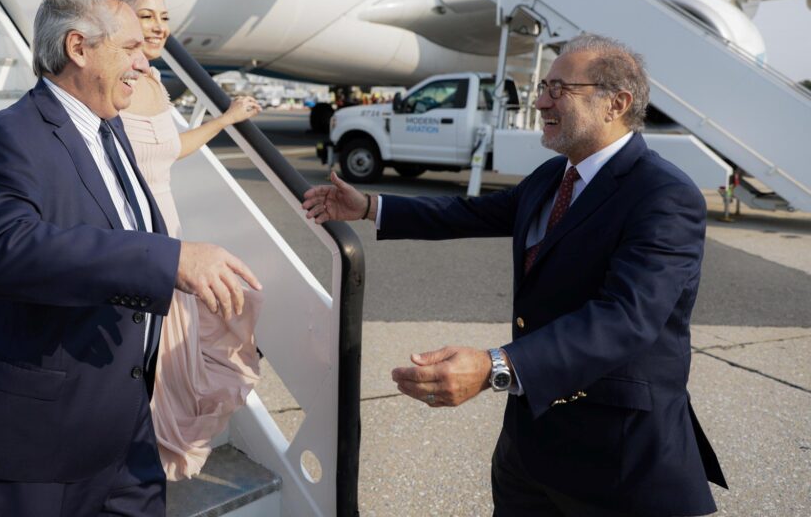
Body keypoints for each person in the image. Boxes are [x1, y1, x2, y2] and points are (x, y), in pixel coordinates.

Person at [302, 33, 726, 516]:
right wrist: (370, 206)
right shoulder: (555, 175)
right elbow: (470, 213)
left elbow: (626, 318)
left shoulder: (664, 194)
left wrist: (495, 366)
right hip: (530, 446)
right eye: (543, 87)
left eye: (560, 89)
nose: (541, 102)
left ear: (617, 103)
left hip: (617, 457)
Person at [0, 0, 261, 517]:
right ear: (78, 48)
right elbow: (5, 252)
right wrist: (168, 259)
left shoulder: (112, 128)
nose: (144, 62)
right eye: (129, 47)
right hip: (38, 443)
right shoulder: (8, 135)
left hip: (125, 430)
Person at [107, 0, 263, 480]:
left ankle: (141, 470)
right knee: (142, 364)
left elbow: (170, 149)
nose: (158, 27)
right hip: (135, 240)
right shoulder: (115, 84)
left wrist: (225, 120)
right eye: (146, 16)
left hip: (168, 235)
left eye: (164, 17)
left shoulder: (152, 79)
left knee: (172, 363)